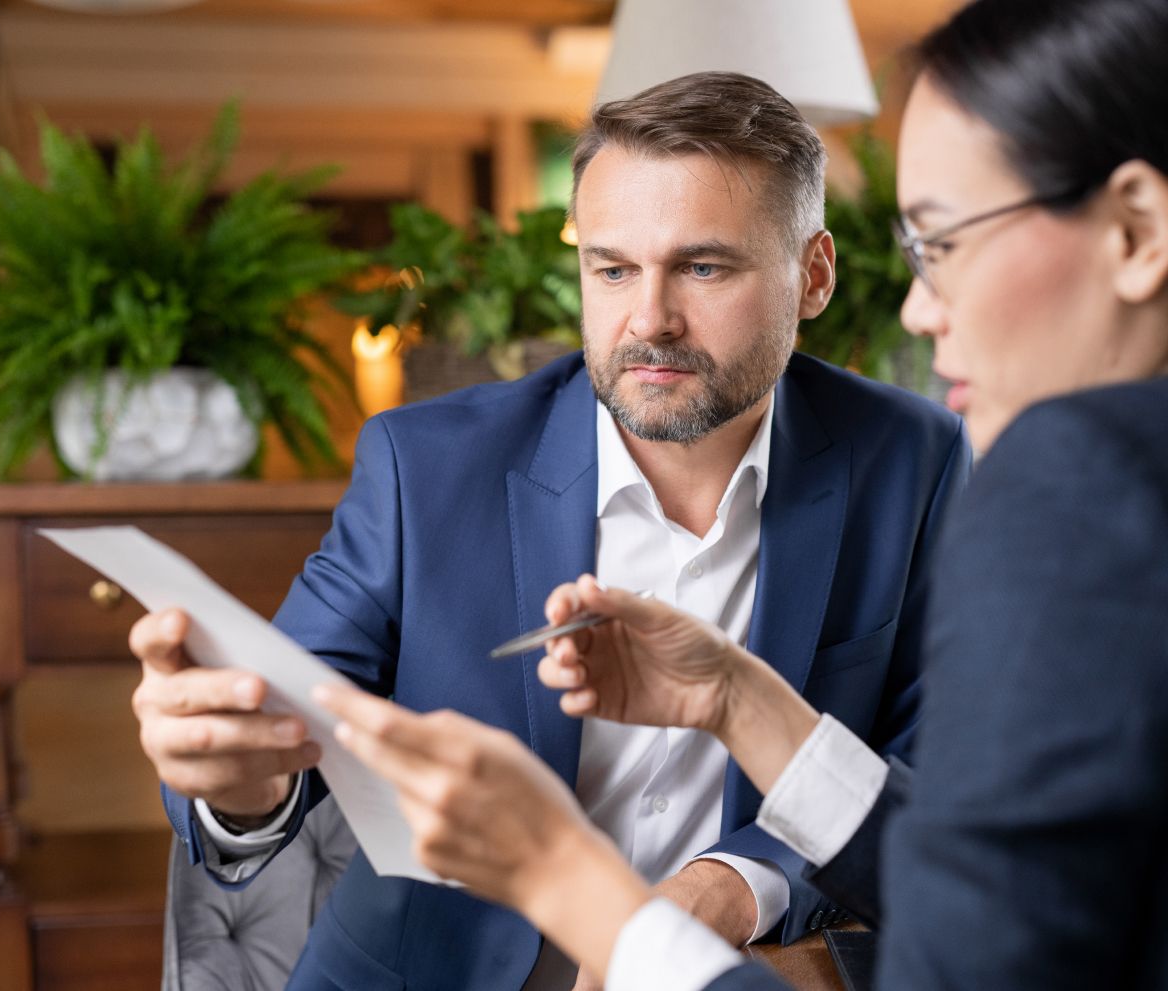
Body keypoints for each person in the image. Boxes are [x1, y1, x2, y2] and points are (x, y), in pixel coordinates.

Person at [316, 0, 1168, 988]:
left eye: (942, 242)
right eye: (611, 267)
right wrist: (737, 697)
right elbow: (1001, 888)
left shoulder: (1070, 487)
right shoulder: (422, 460)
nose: (917, 307)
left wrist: (574, 882)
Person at [129, 73, 970, 990]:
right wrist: (242, 786)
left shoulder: (913, 458)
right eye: (612, 268)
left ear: (813, 274)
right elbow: (282, 718)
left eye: (703, 267)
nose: (648, 320)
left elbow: (932, 769)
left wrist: (734, 882)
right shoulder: (426, 467)